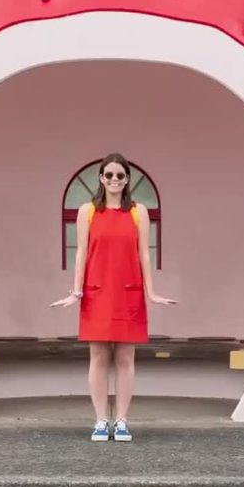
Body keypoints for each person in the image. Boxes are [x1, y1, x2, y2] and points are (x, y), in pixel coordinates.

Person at [51, 153, 177, 442]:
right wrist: (76, 292)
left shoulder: (137, 212)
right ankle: (100, 420)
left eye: (120, 175)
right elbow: (81, 253)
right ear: (101, 178)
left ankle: (121, 420)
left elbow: (144, 253)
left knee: (125, 358)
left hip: (128, 291)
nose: (114, 180)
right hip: (97, 292)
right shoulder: (88, 212)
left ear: (127, 179)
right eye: (109, 175)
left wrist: (151, 292)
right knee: (97, 357)